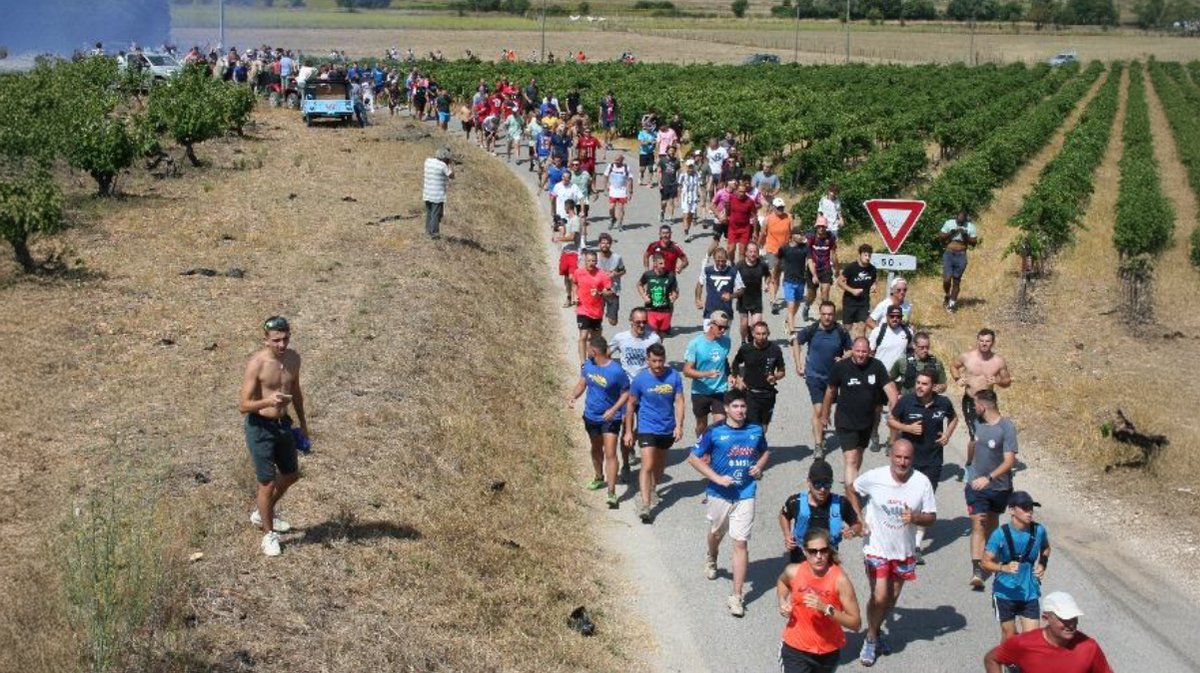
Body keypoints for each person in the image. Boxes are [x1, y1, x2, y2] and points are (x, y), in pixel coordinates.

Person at [845, 439, 937, 667]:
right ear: (891, 456)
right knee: (879, 595)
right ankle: (870, 638)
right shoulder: (875, 478)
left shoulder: (922, 482)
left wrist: (915, 518)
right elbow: (851, 488)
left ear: (912, 459)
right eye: (898, 457)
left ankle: (875, 632)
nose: (902, 462)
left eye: (907, 458)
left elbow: (931, 517)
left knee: (891, 598)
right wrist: (858, 517)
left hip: (904, 550)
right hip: (876, 547)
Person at [687, 389, 770, 618]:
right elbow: (693, 458)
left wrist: (759, 466)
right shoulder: (714, 432)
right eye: (735, 406)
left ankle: (736, 595)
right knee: (716, 533)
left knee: (740, 542)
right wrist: (716, 478)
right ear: (726, 409)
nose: (740, 411)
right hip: (719, 494)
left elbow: (765, 452)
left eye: (743, 406)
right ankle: (712, 557)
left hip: (745, 493)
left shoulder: (755, 430)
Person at [238, 316, 309, 557]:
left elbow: (296, 392)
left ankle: (262, 512)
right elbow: (243, 405)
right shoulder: (257, 364)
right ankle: (269, 535)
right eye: (276, 340)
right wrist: (268, 401)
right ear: (266, 340)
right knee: (267, 482)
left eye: (286, 338)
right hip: (259, 427)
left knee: (291, 475)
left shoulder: (293, 359)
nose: (282, 344)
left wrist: (304, 424)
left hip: (283, 425)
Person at [887, 369, 957, 562]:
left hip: (933, 460)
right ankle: (898, 538)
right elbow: (891, 420)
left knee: (926, 501)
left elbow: (954, 418)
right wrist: (907, 428)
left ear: (933, 386)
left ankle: (916, 546)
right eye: (918, 382)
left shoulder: (943, 403)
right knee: (905, 499)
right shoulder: (907, 401)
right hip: (908, 460)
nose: (919, 386)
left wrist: (947, 435)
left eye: (924, 384)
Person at [775, 528, 862, 673]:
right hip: (795, 649)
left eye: (823, 550)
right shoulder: (793, 571)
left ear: (829, 551)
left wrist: (826, 609)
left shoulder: (840, 580)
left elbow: (855, 624)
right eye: (813, 551)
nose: (819, 556)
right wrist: (782, 601)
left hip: (828, 652)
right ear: (804, 551)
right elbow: (782, 582)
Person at [821, 337, 898, 490]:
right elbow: (830, 391)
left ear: (869, 352)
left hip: (867, 421)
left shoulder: (876, 366)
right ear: (852, 350)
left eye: (864, 351)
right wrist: (825, 413)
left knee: (859, 455)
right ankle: (851, 497)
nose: (861, 354)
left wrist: (894, 408)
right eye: (858, 351)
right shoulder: (841, 367)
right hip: (845, 421)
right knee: (851, 459)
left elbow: (890, 387)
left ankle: (852, 484)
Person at [568, 335, 631, 509]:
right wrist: (573, 396)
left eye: (589, 350)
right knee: (596, 448)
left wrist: (614, 409)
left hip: (610, 419)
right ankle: (598, 476)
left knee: (610, 452)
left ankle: (611, 493)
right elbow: (582, 383)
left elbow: (626, 392)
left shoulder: (616, 371)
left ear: (595, 351)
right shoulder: (588, 366)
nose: (587, 352)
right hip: (591, 415)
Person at [625, 342, 684, 523]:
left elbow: (680, 401)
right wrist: (628, 431)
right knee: (647, 464)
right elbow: (630, 404)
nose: (658, 365)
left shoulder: (674, 376)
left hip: (666, 427)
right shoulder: (640, 379)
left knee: (659, 466)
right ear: (647, 361)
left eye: (661, 361)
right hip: (647, 427)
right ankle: (645, 504)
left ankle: (653, 488)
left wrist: (679, 425)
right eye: (654, 361)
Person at [981, 491, 1051, 645]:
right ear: (1012, 510)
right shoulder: (1000, 534)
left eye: (1031, 508)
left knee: (1033, 639)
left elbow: (1046, 548)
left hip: (1029, 592)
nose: (1030, 512)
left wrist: (1042, 563)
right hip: (1004, 593)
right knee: (1009, 635)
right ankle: (1008, 663)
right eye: (1025, 508)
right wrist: (1003, 567)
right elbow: (985, 562)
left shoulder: (1039, 530)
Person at [983, 591, 1112, 673]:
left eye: (1073, 618)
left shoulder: (1089, 647)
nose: (1071, 624)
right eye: (1064, 619)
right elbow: (991, 659)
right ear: (1046, 618)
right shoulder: (1024, 643)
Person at [967, 389, 1019, 590]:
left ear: (982, 405)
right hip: (976, 485)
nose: (973, 408)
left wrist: (989, 478)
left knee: (992, 523)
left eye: (975, 404)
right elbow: (973, 444)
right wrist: (969, 466)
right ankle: (977, 571)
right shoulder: (977, 423)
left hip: (999, 487)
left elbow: (1009, 461)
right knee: (979, 523)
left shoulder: (1006, 427)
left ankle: (991, 560)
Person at [950, 328, 1013, 483]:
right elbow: (953, 365)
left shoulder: (998, 361)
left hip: (989, 402)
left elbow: (1007, 381)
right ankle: (970, 466)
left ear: (993, 342)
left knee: (993, 433)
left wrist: (998, 381)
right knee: (975, 436)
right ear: (977, 340)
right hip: (971, 401)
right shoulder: (967, 357)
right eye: (982, 340)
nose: (984, 344)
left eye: (988, 341)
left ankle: (990, 464)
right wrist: (957, 379)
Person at [793, 301, 853, 458]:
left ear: (834, 315)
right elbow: (796, 342)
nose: (827, 317)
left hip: (833, 379)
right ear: (820, 314)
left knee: (826, 410)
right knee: (819, 410)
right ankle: (818, 445)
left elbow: (851, 350)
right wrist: (799, 365)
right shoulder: (812, 329)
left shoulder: (840, 331)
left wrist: (843, 358)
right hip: (814, 376)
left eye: (830, 314)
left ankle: (821, 429)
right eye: (824, 314)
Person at [778, 460, 860, 563]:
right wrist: (787, 535)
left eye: (827, 484)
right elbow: (784, 515)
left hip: (829, 557)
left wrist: (852, 531)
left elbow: (857, 524)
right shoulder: (795, 502)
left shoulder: (841, 503)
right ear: (809, 482)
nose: (822, 489)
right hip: (801, 556)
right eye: (817, 484)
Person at [683, 311, 733, 437]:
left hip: (720, 390)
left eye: (725, 328)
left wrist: (730, 374)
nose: (722, 330)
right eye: (720, 327)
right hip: (700, 391)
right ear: (711, 324)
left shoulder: (726, 342)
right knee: (702, 425)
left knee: (721, 423)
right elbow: (687, 371)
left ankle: (715, 451)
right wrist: (705, 374)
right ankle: (701, 445)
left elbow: (724, 360)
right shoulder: (696, 344)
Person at [731, 321, 785, 434]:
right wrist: (737, 378)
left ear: (768, 333)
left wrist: (775, 377)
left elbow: (782, 371)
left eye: (764, 334)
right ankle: (752, 449)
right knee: (752, 425)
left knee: (764, 425)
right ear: (753, 334)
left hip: (768, 394)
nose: (761, 337)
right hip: (750, 394)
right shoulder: (746, 349)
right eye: (758, 334)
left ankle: (758, 447)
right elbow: (736, 363)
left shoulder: (775, 350)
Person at [572, 250, 613, 363]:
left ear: (597, 261)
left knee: (595, 338)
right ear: (584, 261)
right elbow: (574, 283)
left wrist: (600, 293)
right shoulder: (578, 272)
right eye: (588, 260)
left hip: (596, 311)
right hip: (582, 309)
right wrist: (574, 295)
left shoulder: (602, 275)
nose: (591, 263)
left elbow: (609, 292)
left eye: (593, 261)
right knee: (583, 336)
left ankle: (593, 358)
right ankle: (583, 363)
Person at [938, 209, 977, 312]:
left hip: (961, 255)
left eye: (962, 220)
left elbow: (974, 243)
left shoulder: (970, 226)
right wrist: (951, 233)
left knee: (956, 281)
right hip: (949, 253)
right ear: (955, 217)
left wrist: (966, 236)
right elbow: (940, 237)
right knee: (946, 279)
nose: (960, 222)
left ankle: (952, 304)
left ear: (965, 219)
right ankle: (947, 294)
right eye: (958, 220)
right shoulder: (949, 223)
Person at [758, 197, 793, 313]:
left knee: (778, 277)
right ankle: (773, 300)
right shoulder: (768, 219)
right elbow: (762, 234)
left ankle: (773, 294)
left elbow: (792, 233)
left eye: (782, 208)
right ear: (773, 207)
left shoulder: (788, 217)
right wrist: (758, 246)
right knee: (774, 275)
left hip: (785, 251)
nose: (781, 210)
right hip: (772, 250)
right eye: (778, 208)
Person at [774, 225, 810, 334]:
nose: (801, 236)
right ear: (793, 235)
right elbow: (777, 261)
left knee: (797, 304)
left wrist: (812, 273)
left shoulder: (805, 248)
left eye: (802, 234)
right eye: (799, 234)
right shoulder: (784, 248)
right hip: (788, 280)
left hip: (800, 280)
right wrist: (774, 274)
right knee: (791, 305)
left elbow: (808, 261)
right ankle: (792, 330)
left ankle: (787, 321)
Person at [695, 248, 744, 327]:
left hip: (726, 312)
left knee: (723, 338)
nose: (720, 263)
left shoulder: (733, 272)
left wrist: (731, 296)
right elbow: (700, 283)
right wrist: (697, 299)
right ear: (714, 259)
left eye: (723, 261)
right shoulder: (707, 271)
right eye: (718, 261)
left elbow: (741, 290)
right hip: (710, 311)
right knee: (708, 337)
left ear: (727, 259)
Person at [888, 331, 947, 396]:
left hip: (929, 403)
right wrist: (895, 394)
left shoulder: (936, 363)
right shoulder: (902, 361)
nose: (925, 350)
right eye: (921, 347)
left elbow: (943, 384)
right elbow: (890, 379)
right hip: (907, 402)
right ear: (914, 346)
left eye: (927, 347)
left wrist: (941, 388)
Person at [734, 242, 771, 345]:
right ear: (746, 253)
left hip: (756, 299)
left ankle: (753, 339)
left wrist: (767, 284)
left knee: (756, 324)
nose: (753, 254)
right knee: (744, 324)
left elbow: (768, 276)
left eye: (755, 252)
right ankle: (743, 341)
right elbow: (732, 278)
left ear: (758, 253)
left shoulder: (762, 264)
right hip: (743, 298)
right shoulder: (740, 265)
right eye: (750, 251)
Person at [837, 243, 877, 337]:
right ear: (860, 255)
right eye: (865, 255)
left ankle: (860, 349)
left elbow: (874, 280)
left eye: (869, 256)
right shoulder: (851, 268)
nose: (867, 258)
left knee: (862, 327)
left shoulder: (872, 269)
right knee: (847, 328)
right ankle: (842, 347)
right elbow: (839, 282)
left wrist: (874, 286)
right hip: (849, 302)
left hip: (863, 303)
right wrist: (852, 290)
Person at [637, 253, 680, 337]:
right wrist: (644, 296)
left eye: (664, 263)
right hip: (651, 308)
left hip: (665, 309)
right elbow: (639, 284)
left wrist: (674, 297)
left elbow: (675, 290)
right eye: (661, 263)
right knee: (652, 333)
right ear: (655, 264)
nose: (663, 266)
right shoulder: (648, 275)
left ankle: (658, 349)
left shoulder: (670, 275)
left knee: (661, 335)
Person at [805, 217, 838, 316]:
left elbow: (833, 253)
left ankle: (824, 315)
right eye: (819, 226)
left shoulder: (830, 238)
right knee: (812, 294)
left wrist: (837, 268)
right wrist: (813, 274)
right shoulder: (811, 238)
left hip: (825, 267)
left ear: (826, 227)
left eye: (823, 226)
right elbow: (808, 257)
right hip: (812, 268)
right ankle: (807, 306)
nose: (821, 228)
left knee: (825, 292)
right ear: (816, 227)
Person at [867, 305, 913, 374]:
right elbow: (870, 353)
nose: (895, 319)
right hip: (880, 374)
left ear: (901, 317)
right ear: (887, 316)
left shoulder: (908, 332)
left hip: (900, 375)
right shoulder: (878, 331)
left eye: (898, 316)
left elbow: (911, 351)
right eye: (892, 316)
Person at [554, 199, 583, 307]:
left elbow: (572, 237)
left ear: (567, 207)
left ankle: (576, 297)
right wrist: (561, 228)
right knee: (566, 277)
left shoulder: (575, 220)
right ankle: (569, 297)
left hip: (573, 252)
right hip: (565, 252)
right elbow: (565, 233)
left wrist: (559, 239)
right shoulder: (568, 220)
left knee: (572, 277)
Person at [422, 147, 454, 239]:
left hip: (427, 192)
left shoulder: (427, 161)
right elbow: (451, 175)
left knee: (429, 213)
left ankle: (428, 231)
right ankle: (434, 234)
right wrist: (450, 164)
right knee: (436, 214)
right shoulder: (443, 166)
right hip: (437, 194)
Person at [594, 233, 626, 327]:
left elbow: (623, 270)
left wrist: (615, 274)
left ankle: (609, 314)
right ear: (599, 244)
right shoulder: (595, 257)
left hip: (613, 291)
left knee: (613, 322)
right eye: (603, 243)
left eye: (607, 243)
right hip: (598, 291)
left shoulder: (617, 257)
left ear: (611, 244)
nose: (605, 245)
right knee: (596, 318)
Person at [604, 154, 632, 230]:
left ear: (622, 160)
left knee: (621, 208)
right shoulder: (611, 166)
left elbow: (630, 180)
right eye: (615, 160)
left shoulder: (626, 168)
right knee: (611, 207)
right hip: (613, 190)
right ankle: (612, 218)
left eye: (617, 160)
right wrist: (605, 188)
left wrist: (630, 192)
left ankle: (620, 223)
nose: (615, 161)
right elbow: (605, 176)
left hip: (622, 191)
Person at [679, 158, 703, 240]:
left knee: (690, 215)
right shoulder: (683, 175)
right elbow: (679, 186)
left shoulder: (697, 175)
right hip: (685, 197)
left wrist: (702, 198)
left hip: (694, 198)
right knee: (686, 215)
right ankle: (686, 232)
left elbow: (699, 187)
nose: (690, 168)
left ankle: (687, 229)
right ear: (686, 167)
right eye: (689, 167)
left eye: (691, 167)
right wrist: (677, 198)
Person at [658, 146, 681, 223]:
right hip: (664, 183)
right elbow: (659, 172)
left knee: (671, 201)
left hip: (673, 183)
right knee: (664, 202)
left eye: (673, 151)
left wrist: (678, 182)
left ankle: (671, 217)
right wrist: (659, 183)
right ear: (667, 151)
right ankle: (662, 212)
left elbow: (678, 172)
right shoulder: (662, 160)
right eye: (670, 150)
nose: (672, 152)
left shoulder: (676, 161)